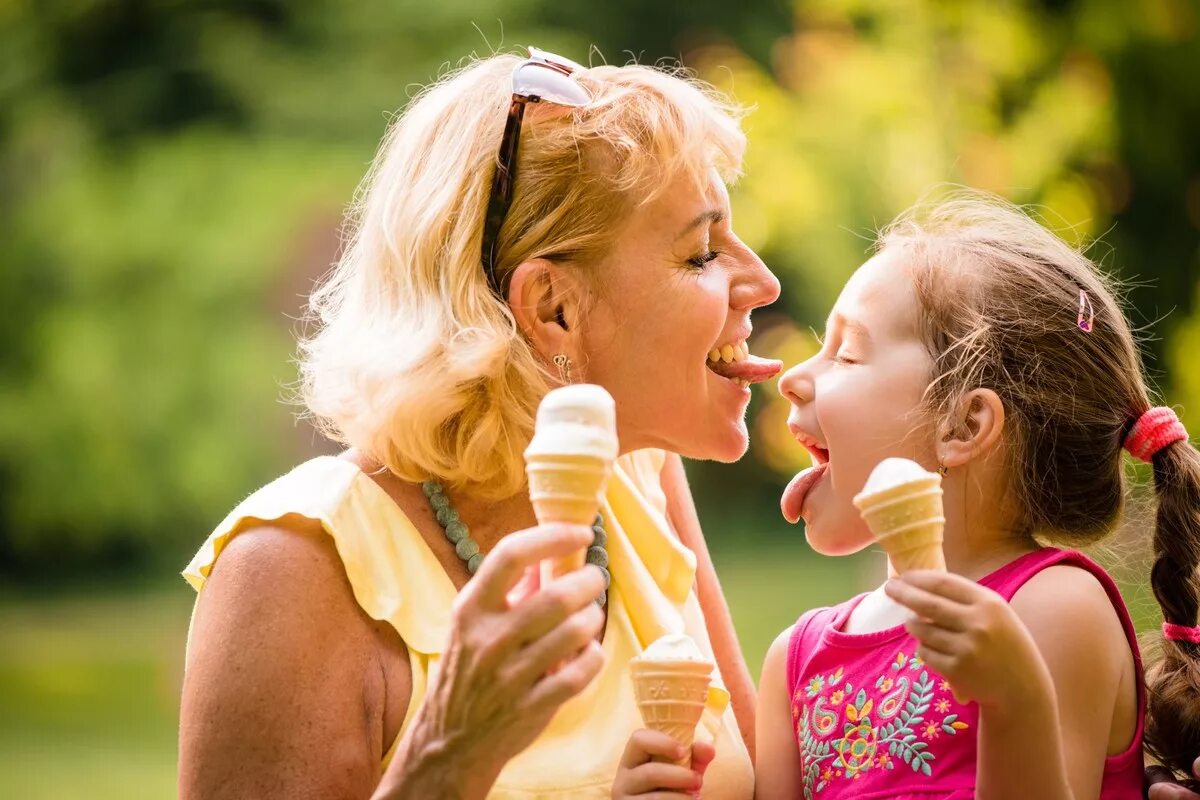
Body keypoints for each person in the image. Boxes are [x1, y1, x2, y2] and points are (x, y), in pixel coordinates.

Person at [177, 46, 782, 799]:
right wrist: (446, 753)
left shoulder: (637, 474)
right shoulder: (292, 566)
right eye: (700, 254)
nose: (762, 282)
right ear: (552, 309)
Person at [753, 191, 1200, 797]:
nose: (795, 375)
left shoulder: (1052, 608)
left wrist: (1015, 696)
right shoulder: (795, 661)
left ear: (964, 427)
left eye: (848, 354)